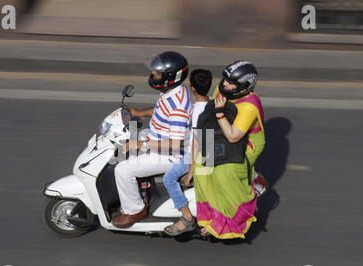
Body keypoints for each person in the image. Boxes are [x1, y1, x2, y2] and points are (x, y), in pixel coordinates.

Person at [112, 51, 191, 228]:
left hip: (171, 155)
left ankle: (135, 210)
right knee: (123, 144)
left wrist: (142, 144)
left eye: (157, 73)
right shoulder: (172, 91)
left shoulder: (178, 107)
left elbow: (175, 143)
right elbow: (160, 111)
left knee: (122, 170)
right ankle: (142, 185)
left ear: (170, 76)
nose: (152, 75)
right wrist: (139, 113)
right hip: (157, 139)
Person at [193, 60, 266, 239]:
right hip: (222, 133)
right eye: (225, 79)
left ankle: (234, 221)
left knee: (224, 174)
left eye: (230, 82)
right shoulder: (222, 90)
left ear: (243, 86)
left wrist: (219, 113)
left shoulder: (249, 106)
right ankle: (213, 217)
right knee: (201, 169)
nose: (224, 84)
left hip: (245, 143)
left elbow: (234, 136)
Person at [163, 69, 212, 236]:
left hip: (199, 153)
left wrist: (191, 171)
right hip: (210, 148)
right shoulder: (211, 102)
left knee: (169, 179)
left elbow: (197, 142)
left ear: (192, 88)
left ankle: (186, 217)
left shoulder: (198, 111)